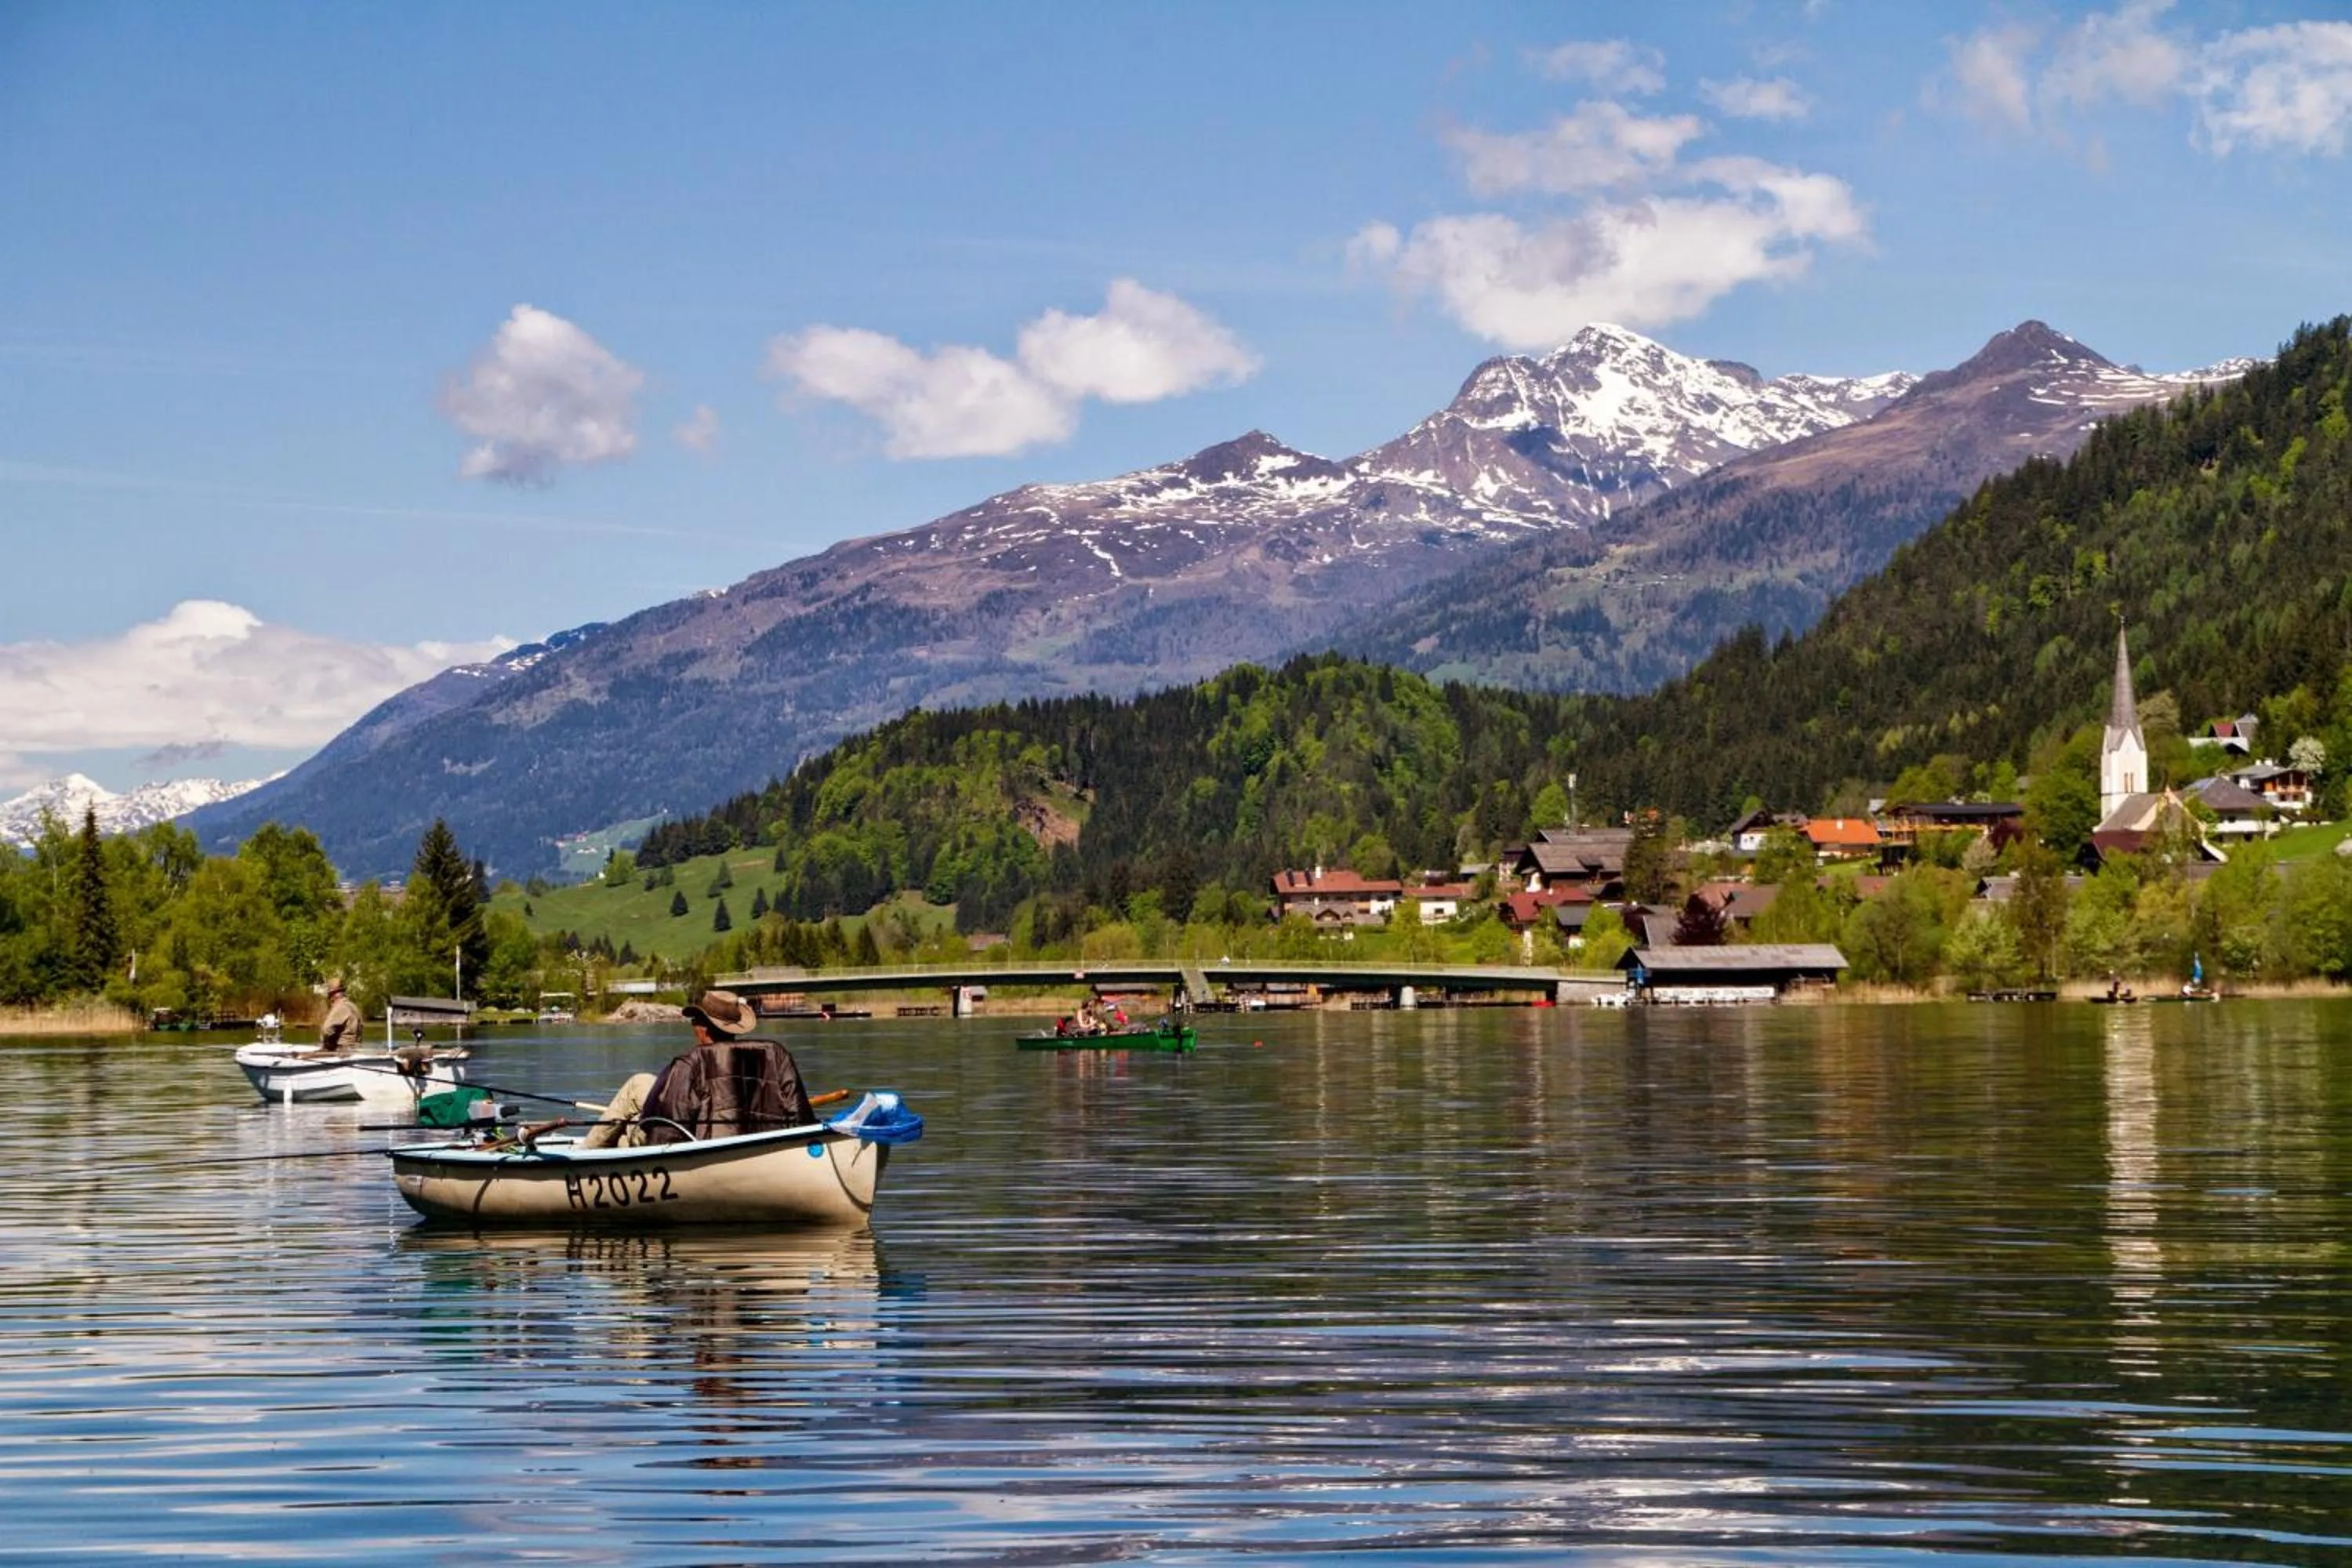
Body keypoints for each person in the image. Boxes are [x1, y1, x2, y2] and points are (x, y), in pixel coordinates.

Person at [580, 989, 815, 1149]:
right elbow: (802, 1118)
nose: (694, 1027)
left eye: (695, 1022)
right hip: (755, 1146)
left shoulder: (691, 1063)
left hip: (698, 1148)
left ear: (703, 1027)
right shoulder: (776, 1055)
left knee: (633, 1096)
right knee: (642, 1083)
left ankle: (579, 1159)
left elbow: (667, 1132)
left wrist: (641, 1145)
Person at [314, 978, 362, 1054]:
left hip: (342, 1051)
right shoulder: (353, 1006)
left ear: (333, 996)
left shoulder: (339, 1007)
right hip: (356, 1049)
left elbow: (326, 1030)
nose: (330, 1000)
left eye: (329, 997)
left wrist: (326, 1045)